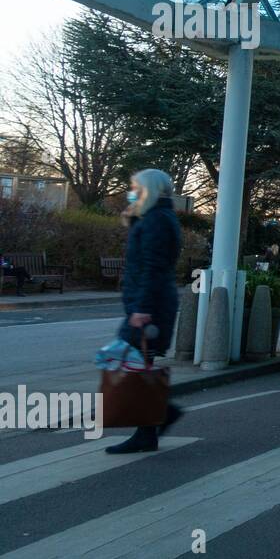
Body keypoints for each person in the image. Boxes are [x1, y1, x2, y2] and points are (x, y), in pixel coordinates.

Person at [106, 169, 184, 455]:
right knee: (139, 366)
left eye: (135, 188)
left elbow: (153, 267)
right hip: (149, 303)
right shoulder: (156, 217)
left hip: (149, 306)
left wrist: (142, 309)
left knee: (134, 364)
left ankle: (155, 421)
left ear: (148, 189)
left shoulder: (156, 221)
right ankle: (151, 426)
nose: (132, 192)